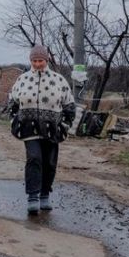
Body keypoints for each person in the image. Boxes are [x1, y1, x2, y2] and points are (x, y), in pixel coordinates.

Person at [8, 44, 75, 214]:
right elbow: (12, 103)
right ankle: (33, 196)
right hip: (28, 129)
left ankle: (45, 194)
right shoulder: (22, 79)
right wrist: (14, 121)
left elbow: (69, 105)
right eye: (35, 61)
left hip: (52, 129)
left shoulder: (59, 80)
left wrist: (64, 125)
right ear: (31, 61)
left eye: (41, 61)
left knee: (49, 162)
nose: (38, 64)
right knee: (34, 158)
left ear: (47, 60)